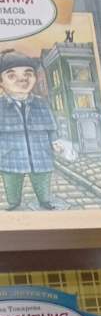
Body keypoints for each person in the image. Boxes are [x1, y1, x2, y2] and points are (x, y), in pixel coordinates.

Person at [0, 51, 66, 211]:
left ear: (35, 78)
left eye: (28, 74)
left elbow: (51, 127)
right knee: (12, 179)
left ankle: (44, 200)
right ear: (1, 82)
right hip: (10, 154)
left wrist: (55, 141)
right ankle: (14, 202)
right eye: (12, 75)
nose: (22, 79)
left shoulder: (41, 104)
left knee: (42, 177)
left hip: (40, 152)